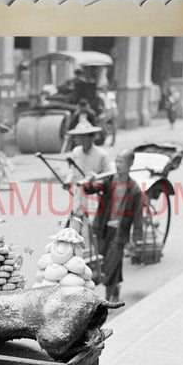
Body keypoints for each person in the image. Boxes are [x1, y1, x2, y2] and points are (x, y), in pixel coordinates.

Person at [83, 148, 143, 303]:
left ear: (130, 164)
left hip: (120, 233)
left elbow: (137, 216)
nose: (118, 164)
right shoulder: (109, 181)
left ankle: (108, 298)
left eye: (121, 161)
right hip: (103, 229)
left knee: (110, 264)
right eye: (116, 161)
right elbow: (90, 190)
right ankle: (115, 289)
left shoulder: (134, 188)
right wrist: (90, 181)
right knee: (109, 263)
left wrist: (136, 239)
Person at [64, 120, 109, 213]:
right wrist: (68, 180)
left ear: (91, 137)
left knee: (93, 221)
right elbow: (72, 169)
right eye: (79, 136)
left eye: (84, 136)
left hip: (94, 193)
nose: (80, 139)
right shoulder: (76, 151)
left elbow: (107, 175)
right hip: (78, 192)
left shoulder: (101, 154)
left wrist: (96, 180)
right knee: (76, 219)